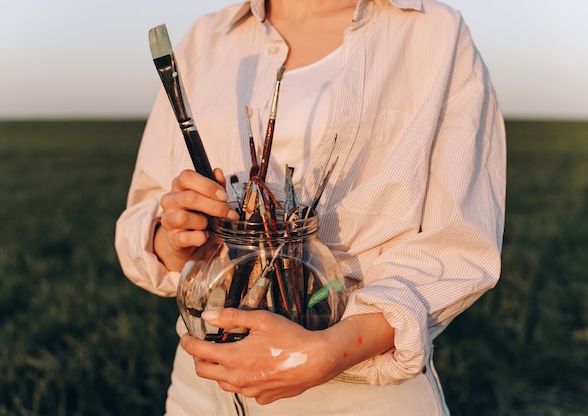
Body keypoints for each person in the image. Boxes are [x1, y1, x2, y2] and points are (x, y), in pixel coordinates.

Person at [115, 0, 506, 414]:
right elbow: (143, 216)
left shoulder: (435, 34)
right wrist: (174, 240)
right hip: (202, 386)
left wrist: (332, 350)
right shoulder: (207, 38)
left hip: (357, 388)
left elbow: (460, 247)